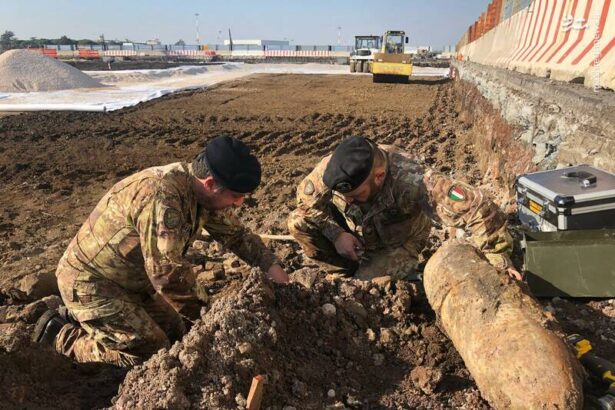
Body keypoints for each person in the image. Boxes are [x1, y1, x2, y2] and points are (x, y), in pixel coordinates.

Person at [33, 136, 289, 367]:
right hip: (92, 284)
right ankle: (62, 334)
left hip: (133, 280)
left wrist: (271, 265)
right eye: (236, 196)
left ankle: (90, 319)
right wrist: (214, 317)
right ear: (211, 183)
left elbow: (237, 236)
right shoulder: (164, 198)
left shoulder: (200, 194)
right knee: (152, 353)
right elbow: (167, 275)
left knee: (177, 331)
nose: (240, 203)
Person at [288, 136, 517, 281]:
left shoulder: (413, 178)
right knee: (297, 222)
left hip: (398, 242)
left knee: (369, 285)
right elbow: (306, 203)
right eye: (343, 196)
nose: (348, 201)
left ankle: (364, 276)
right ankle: (343, 273)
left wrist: (499, 263)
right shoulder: (333, 168)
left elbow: (479, 208)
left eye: (355, 196)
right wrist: (337, 235)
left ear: (378, 177)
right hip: (356, 233)